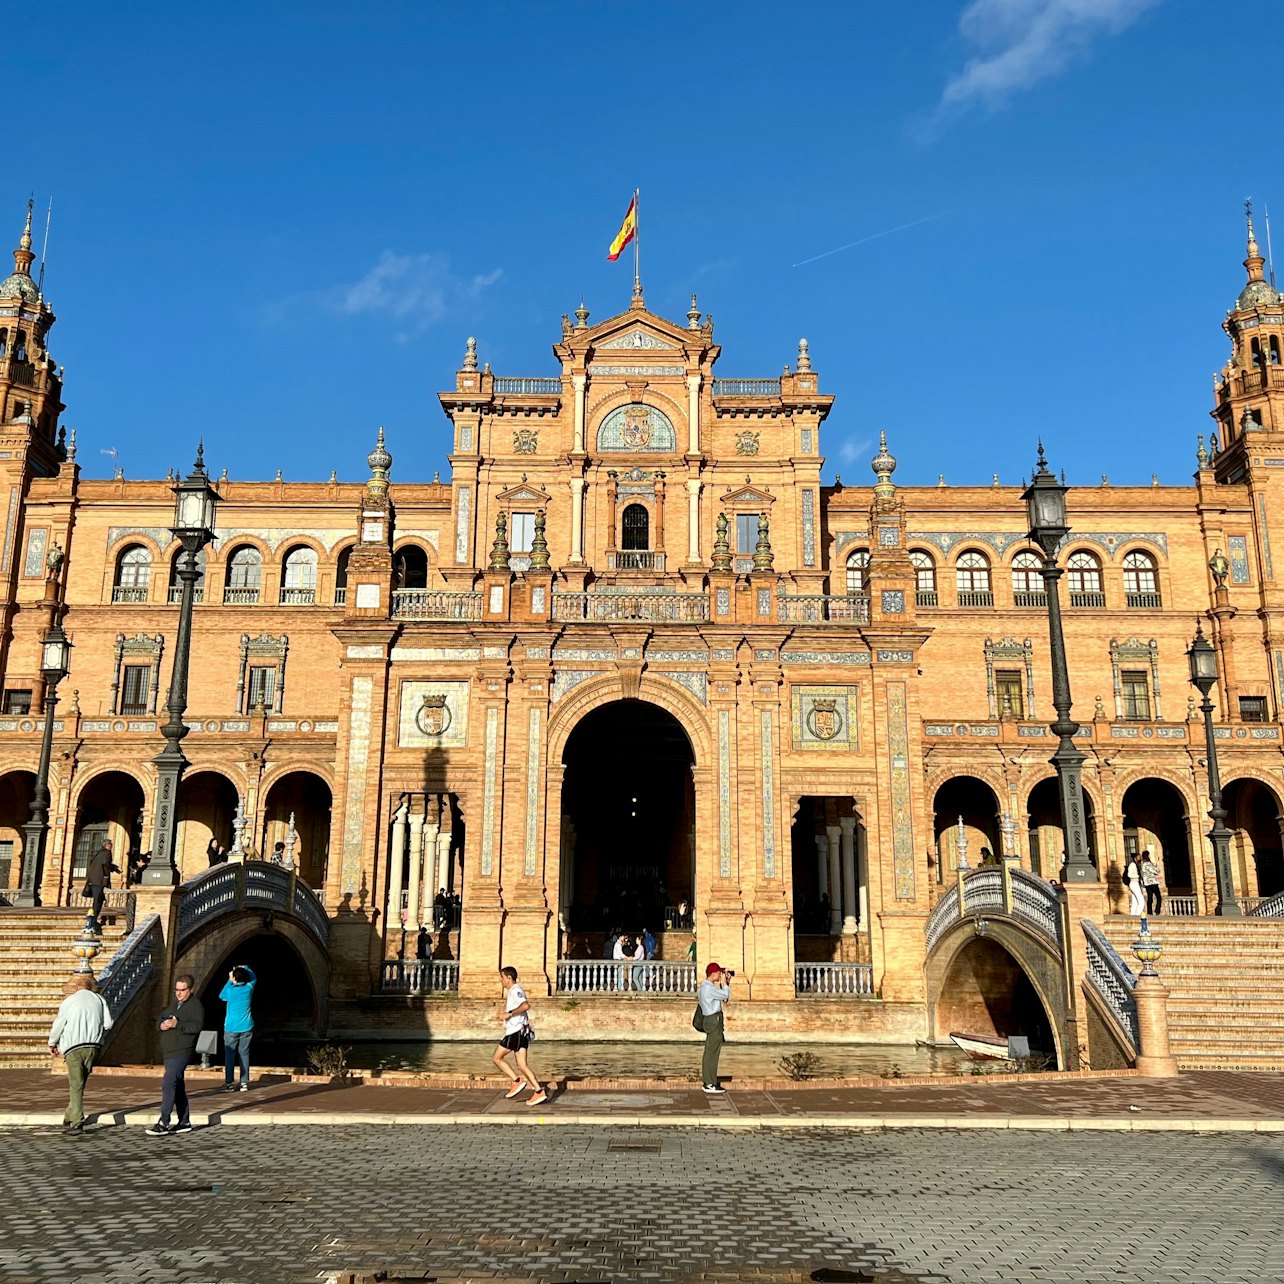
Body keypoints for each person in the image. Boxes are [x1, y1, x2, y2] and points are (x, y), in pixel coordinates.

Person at [48, 973, 113, 1132]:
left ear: (76, 988)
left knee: (75, 1084)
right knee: (80, 1082)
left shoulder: (69, 1001)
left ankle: (77, 1120)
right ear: (91, 987)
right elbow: (108, 1023)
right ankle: (69, 1114)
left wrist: (52, 1043)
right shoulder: (99, 1000)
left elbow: (59, 1024)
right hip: (93, 1046)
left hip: (73, 1046)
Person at [146, 974, 204, 1135]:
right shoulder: (175, 1004)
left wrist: (178, 1025)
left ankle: (164, 1122)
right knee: (177, 1086)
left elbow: (197, 1026)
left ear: (190, 990)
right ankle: (184, 1121)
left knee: (168, 1083)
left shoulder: (195, 1006)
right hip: (169, 1051)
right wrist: (162, 1025)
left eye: (182, 990)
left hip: (181, 1051)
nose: (178, 993)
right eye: (176, 990)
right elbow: (161, 1019)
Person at [490, 966, 548, 1107]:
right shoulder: (514, 991)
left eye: (502, 977)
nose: (500, 980)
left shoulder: (515, 990)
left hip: (515, 1032)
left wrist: (509, 1013)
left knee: (496, 1058)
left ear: (509, 978)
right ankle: (539, 1091)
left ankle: (517, 1081)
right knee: (522, 1065)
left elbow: (526, 1006)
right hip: (522, 1032)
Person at [219, 964, 256, 1092]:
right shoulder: (249, 988)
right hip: (246, 1026)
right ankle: (244, 1082)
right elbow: (253, 977)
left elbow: (221, 996)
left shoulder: (230, 991)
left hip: (231, 1027)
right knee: (244, 1053)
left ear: (234, 978)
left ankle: (229, 1083)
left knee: (230, 1055)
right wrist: (245, 967)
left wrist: (229, 980)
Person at [698, 962, 731, 1094]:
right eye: (719, 973)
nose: (720, 975)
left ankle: (709, 1081)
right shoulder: (708, 988)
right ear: (714, 974)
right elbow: (725, 995)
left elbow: (723, 999)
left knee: (710, 1052)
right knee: (712, 1053)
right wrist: (726, 984)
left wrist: (724, 983)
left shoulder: (706, 987)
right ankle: (709, 1083)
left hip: (710, 1020)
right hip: (713, 1021)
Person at [83, 839, 116, 932]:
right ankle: (92, 921)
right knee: (97, 901)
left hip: (93, 880)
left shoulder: (98, 853)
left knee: (99, 899)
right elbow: (106, 863)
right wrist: (111, 869)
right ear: (107, 845)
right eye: (110, 845)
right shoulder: (107, 853)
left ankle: (93, 919)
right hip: (99, 880)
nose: (111, 847)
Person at [1141, 850, 1163, 914]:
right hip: (1152, 882)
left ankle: (1149, 912)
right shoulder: (1148, 864)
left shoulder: (1143, 864)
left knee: (1150, 898)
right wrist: (1157, 867)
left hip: (1147, 883)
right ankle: (1157, 910)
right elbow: (1156, 871)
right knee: (1158, 897)